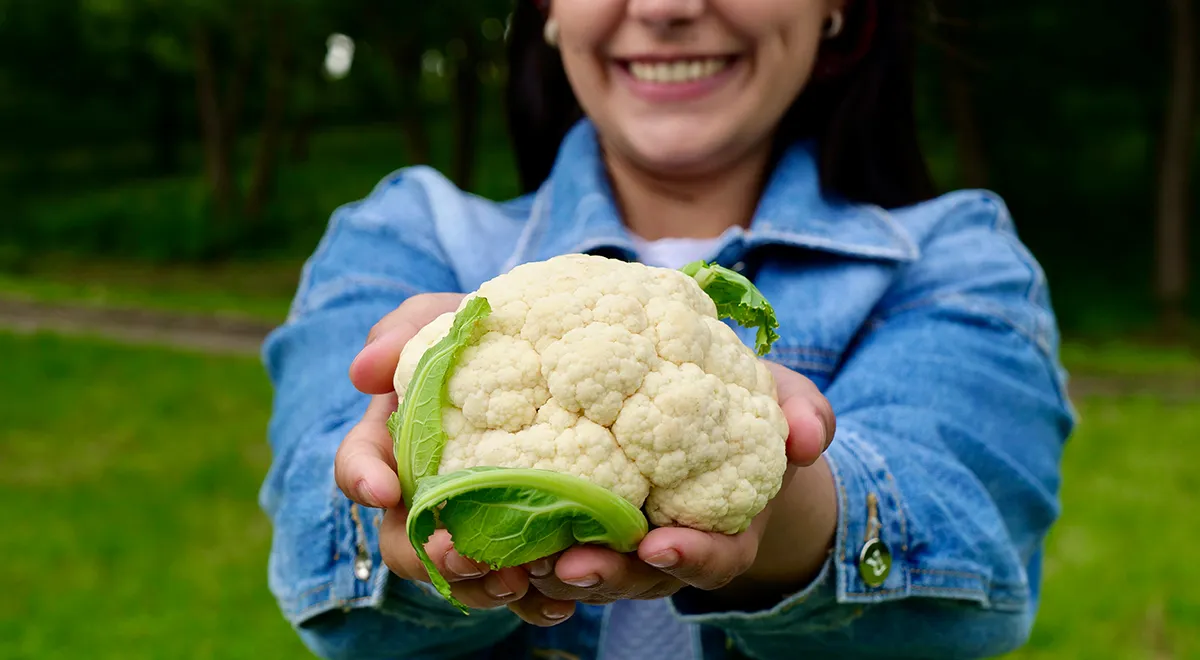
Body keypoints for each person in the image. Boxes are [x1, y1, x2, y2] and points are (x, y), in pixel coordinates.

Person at [259, 0, 1075, 658]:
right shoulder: (405, 231)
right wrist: (408, 483)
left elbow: (967, 561)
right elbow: (321, 567)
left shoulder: (954, 256)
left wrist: (770, 485)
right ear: (546, 10)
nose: (666, 7)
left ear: (837, 9)